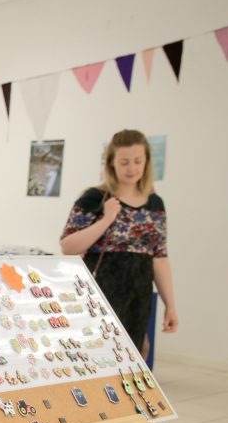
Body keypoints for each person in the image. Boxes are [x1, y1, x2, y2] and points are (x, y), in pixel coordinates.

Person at [59, 129, 178, 354]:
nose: (131, 168)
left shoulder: (155, 204)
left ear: (147, 162)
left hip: (138, 297)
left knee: (133, 359)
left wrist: (170, 305)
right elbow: (68, 246)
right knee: (95, 356)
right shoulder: (95, 198)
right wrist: (106, 220)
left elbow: (160, 258)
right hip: (99, 294)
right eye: (124, 162)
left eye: (137, 161)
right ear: (111, 163)